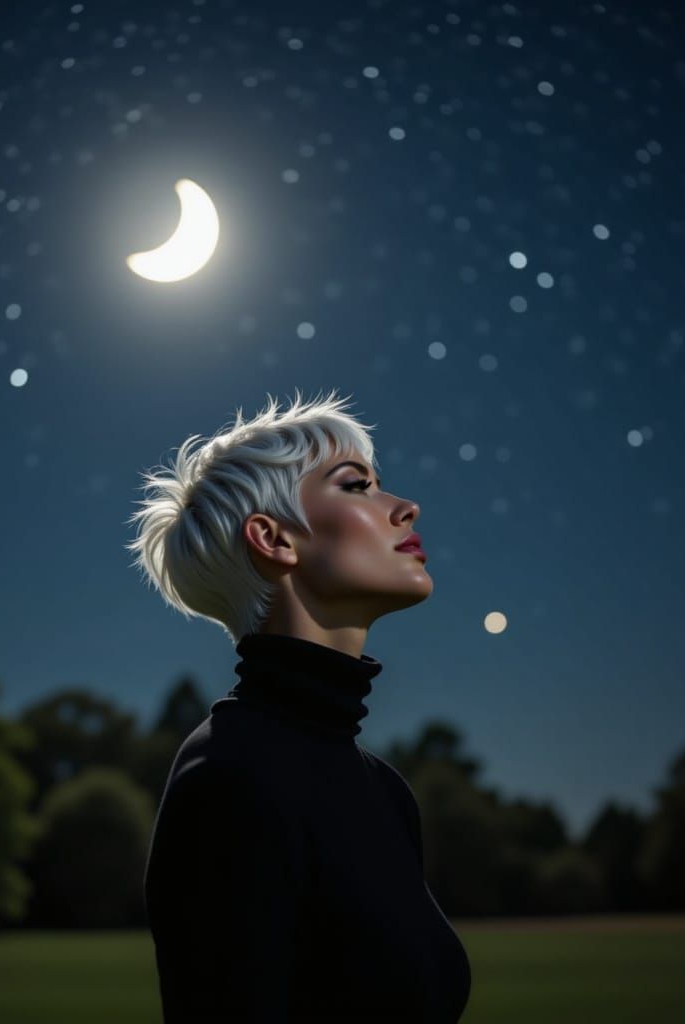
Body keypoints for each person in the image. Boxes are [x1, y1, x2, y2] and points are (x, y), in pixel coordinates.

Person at [125, 388, 471, 1022]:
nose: (406, 507)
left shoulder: (385, 790)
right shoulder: (230, 778)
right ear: (274, 538)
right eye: (357, 486)